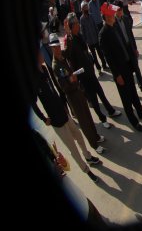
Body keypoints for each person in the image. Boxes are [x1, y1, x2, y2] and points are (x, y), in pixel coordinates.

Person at [32, 48, 102, 183]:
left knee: (78, 135)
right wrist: (43, 118)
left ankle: (87, 156)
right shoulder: (33, 79)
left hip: (62, 111)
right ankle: (87, 170)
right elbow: (33, 102)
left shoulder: (44, 69)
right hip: (56, 120)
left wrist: (63, 104)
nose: (42, 55)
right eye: (38, 53)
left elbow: (54, 88)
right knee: (72, 148)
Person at [98, 2, 142, 132]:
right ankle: (134, 122)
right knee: (126, 98)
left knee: (133, 93)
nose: (114, 14)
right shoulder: (104, 34)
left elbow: (125, 42)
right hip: (120, 71)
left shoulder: (116, 25)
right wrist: (116, 75)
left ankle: (140, 113)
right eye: (112, 13)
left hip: (127, 64)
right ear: (107, 16)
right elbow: (109, 58)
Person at [48, 33, 106, 154]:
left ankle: (95, 136)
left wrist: (68, 35)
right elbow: (62, 87)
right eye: (54, 47)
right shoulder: (55, 65)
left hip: (78, 90)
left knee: (88, 116)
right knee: (83, 121)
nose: (57, 49)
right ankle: (94, 145)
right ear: (51, 48)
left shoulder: (62, 57)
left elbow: (69, 51)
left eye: (58, 46)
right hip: (72, 95)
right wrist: (70, 80)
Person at [63, 13, 120, 129]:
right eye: (76, 24)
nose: (78, 25)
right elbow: (70, 59)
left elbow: (85, 50)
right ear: (72, 26)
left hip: (89, 70)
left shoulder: (79, 36)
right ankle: (102, 119)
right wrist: (78, 76)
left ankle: (110, 110)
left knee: (100, 92)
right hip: (83, 75)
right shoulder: (70, 41)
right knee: (93, 98)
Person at [115, 1, 142, 94]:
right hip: (122, 50)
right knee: (128, 72)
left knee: (136, 68)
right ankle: (132, 90)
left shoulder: (126, 19)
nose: (120, 12)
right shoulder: (113, 23)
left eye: (121, 9)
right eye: (118, 10)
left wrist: (135, 48)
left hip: (130, 47)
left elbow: (130, 35)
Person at [80, 1, 107, 73]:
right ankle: (99, 69)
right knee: (94, 56)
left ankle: (104, 65)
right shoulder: (81, 19)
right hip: (89, 41)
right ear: (82, 9)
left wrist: (98, 35)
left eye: (87, 8)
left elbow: (95, 26)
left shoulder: (91, 16)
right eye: (85, 8)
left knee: (100, 53)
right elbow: (83, 31)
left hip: (95, 38)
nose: (86, 10)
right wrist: (85, 41)